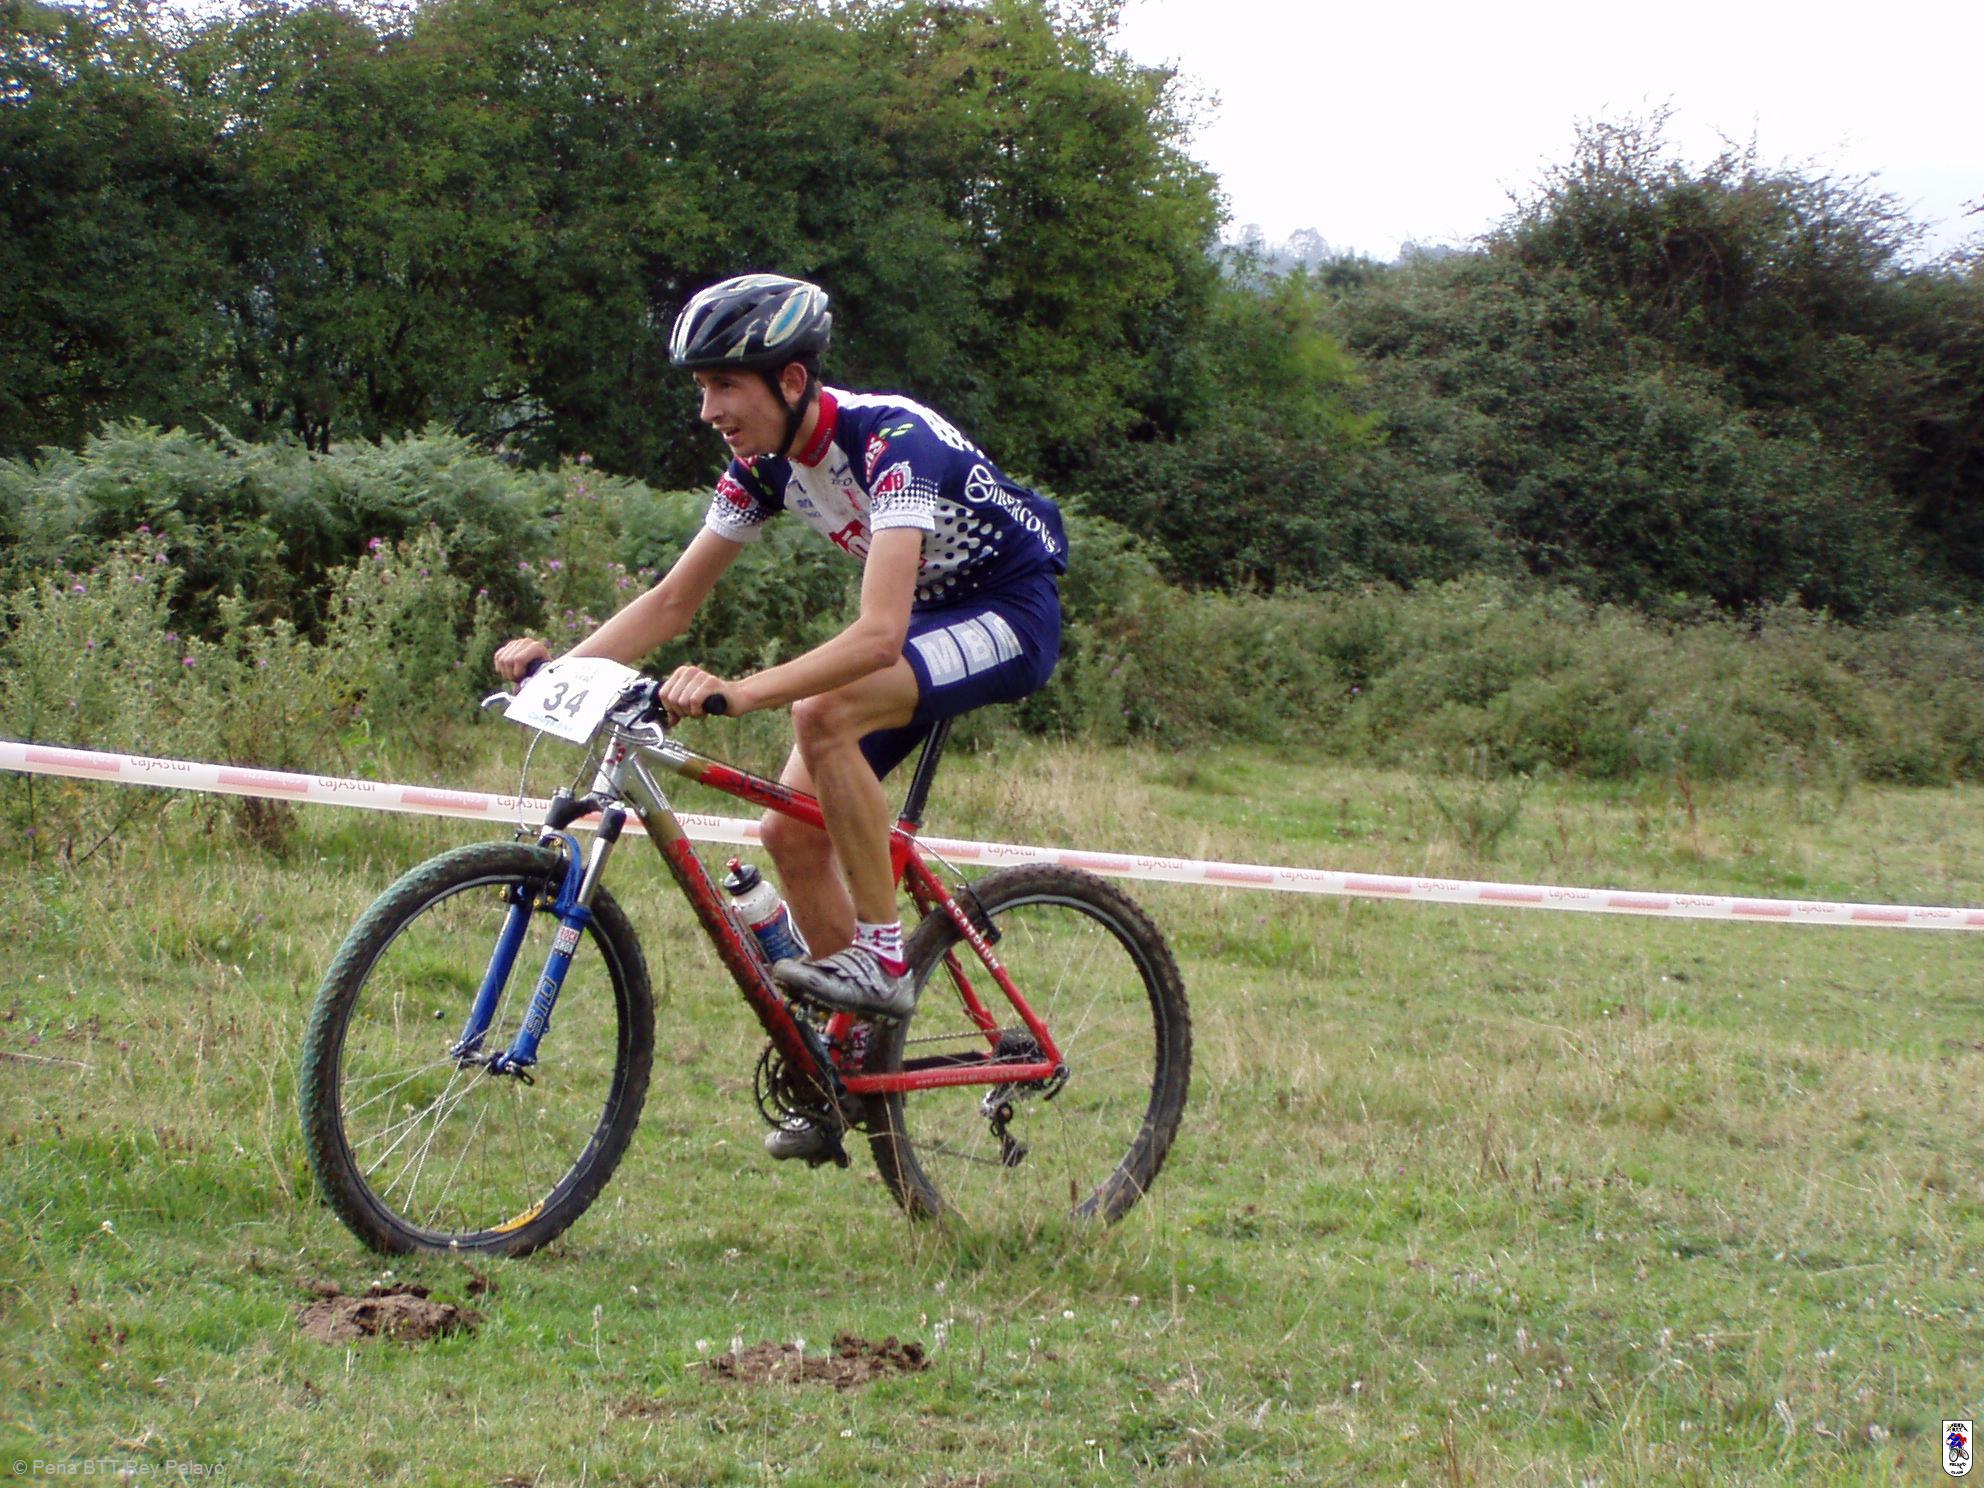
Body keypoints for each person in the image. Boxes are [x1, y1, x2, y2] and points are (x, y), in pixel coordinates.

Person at [494, 273, 1067, 1159]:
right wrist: (560, 674)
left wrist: (744, 689)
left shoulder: (894, 442)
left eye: (726, 385)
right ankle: (850, 1065)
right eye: (701, 388)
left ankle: (882, 954)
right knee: (789, 833)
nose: (709, 411)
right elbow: (673, 601)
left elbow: (877, 636)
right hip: (927, 623)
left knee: (821, 713)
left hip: (1008, 614)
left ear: (792, 380)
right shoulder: (763, 466)